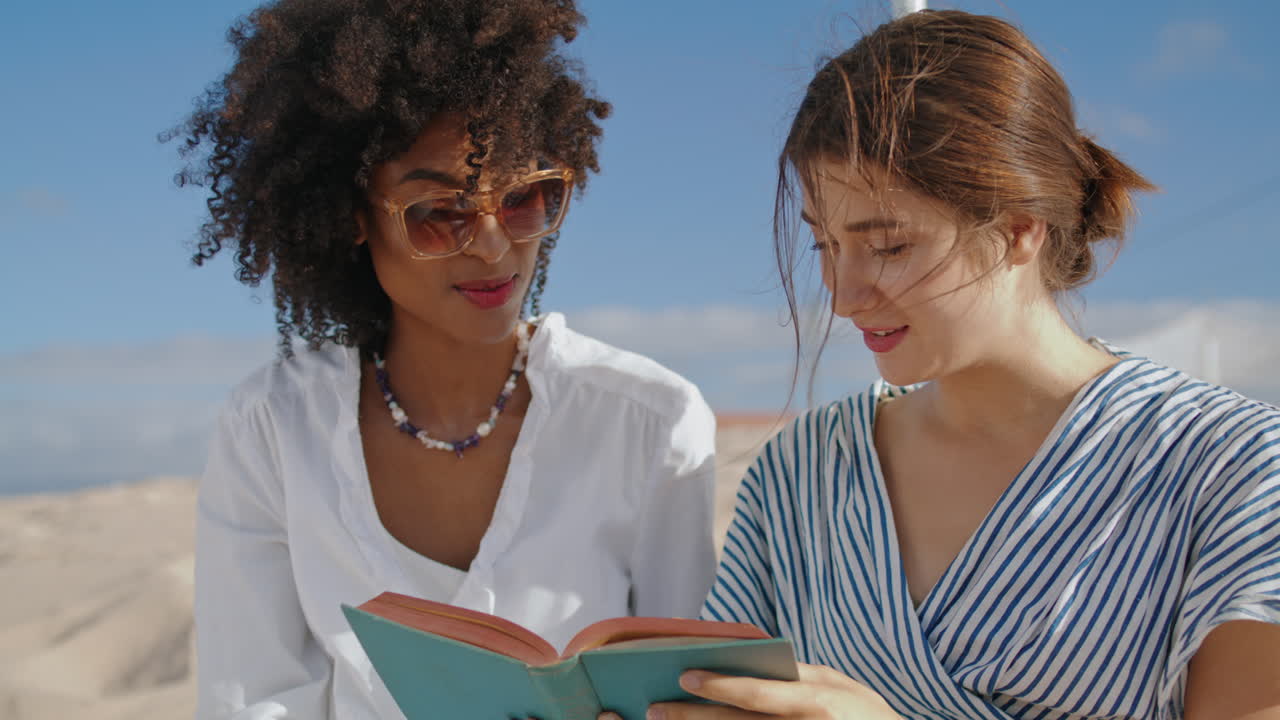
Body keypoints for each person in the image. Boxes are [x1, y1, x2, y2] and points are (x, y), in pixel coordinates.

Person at [621, 10, 1280, 720]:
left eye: (891, 245)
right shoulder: (800, 474)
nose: (843, 296)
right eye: (824, 245)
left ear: (1021, 226)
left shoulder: (1231, 467)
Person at [171, 2, 718, 717]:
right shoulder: (272, 428)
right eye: (440, 213)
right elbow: (253, 699)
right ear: (354, 218)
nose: (493, 246)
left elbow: (689, 693)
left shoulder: (652, 422)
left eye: (525, 199)